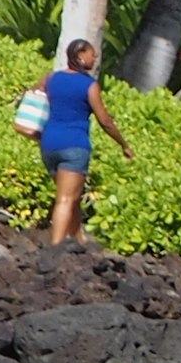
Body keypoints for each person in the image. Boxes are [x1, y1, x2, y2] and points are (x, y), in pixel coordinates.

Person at [37, 37, 132, 246]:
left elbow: (34, 99)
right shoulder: (89, 85)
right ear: (80, 56)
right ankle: (55, 249)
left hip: (49, 144)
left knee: (73, 196)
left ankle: (79, 239)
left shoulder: (51, 78)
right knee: (65, 199)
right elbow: (105, 121)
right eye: (92, 54)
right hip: (74, 146)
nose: (95, 58)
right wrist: (124, 144)